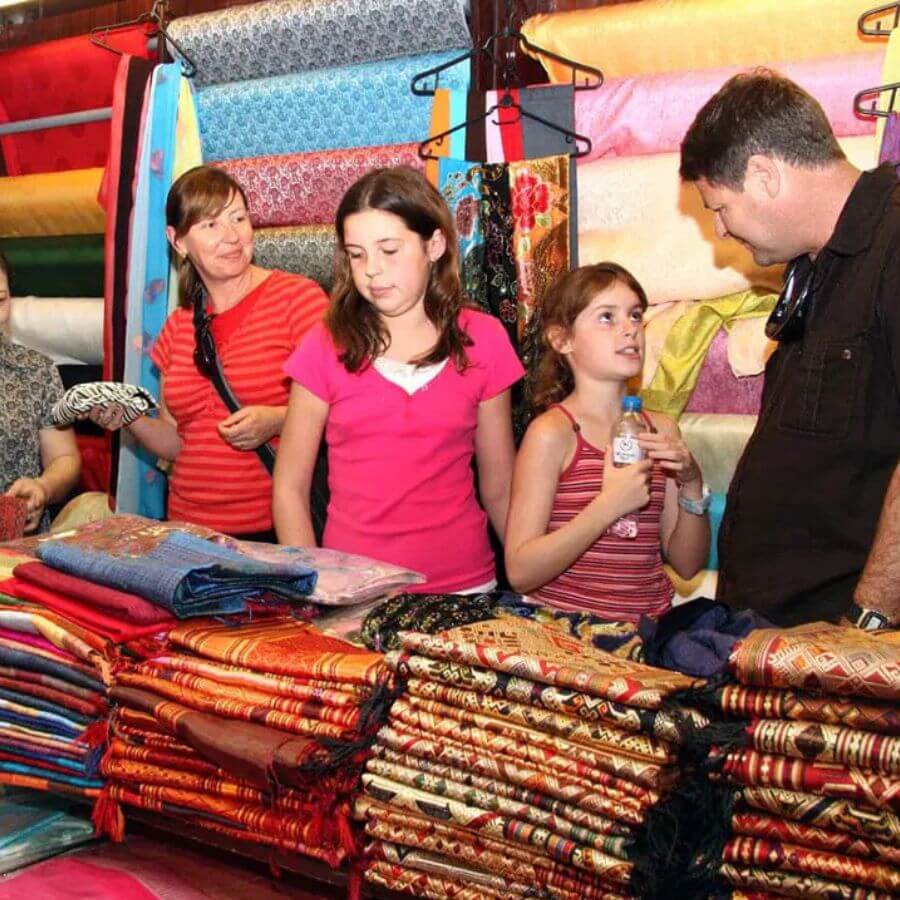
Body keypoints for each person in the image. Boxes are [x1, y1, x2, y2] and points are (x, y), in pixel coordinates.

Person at [680, 70, 900, 628]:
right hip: (778, 636)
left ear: (763, 174)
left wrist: (870, 620)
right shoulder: (813, 268)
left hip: (843, 640)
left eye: (719, 207)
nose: (721, 231)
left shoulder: (894, 244)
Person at [274, 166, 522, 592]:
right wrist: (314, 586)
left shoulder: (484, 339)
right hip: (354, 590)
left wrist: (529, 573)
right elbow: (289, 487)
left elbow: (500, 489)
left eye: (389, 250)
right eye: (356, 255)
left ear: (435, 245)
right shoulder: (325, 344)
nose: (372, 270)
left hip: (464, 585)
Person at [89, 166, 328, 540]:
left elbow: (347, 408)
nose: (231, 236)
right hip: (187, 532)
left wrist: (279, 420)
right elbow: (178, 441)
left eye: (238, 218)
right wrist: (130, 419)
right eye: (211, 225)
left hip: (274, 530)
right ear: (178, 241)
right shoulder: (178, 327)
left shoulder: (298, 300)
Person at [504, 263, 710, 621]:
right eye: (606, 317)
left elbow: (688, 565)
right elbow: (521, 572)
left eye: (635, 315)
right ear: (562, 340)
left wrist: (692, 483)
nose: (630, 329)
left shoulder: (661, 430)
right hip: (571, 635)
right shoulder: (553, 433)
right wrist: (609, 505)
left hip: (648, 630)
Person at [0, 252, 81, 532]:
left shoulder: (35, 370)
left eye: (0, 300)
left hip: (18, 543)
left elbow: (64, 458)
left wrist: (43, 488)